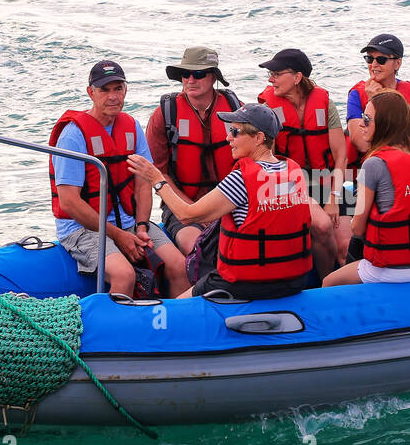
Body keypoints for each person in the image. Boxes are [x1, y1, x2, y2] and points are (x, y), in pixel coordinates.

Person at [127, 104, 312, 300]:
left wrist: (156, 180)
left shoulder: (242, 178)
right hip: (293, 280)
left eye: (235, 132)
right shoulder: (293, 172)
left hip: (248, 283)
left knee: (178, 304)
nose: (228, 138)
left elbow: (186, 215)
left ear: (258, 138)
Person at [49, 60, 190, 297]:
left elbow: (143, 184)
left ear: (125, 90)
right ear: (91, 92)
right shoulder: (73, 136)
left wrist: (142, 226)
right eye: (105, 90)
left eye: (118, 89)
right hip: (82, 229)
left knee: (178, 265)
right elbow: (69, 202)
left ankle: (177, 328)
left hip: (129, 223)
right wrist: (119, 236)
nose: (113, 96)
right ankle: (119, 331)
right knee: (124, 275)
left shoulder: (131, 127)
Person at [322, 90, 410, 286]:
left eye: (367, 119)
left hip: (391, 269)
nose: (360, 124)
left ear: (384, 124)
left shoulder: (374, 164)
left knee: (329, 283)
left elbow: (357, 227)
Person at [145, 46, 243, 254]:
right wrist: (196, 211)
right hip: (182, 205)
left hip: (230, 202)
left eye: (198, 74)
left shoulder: (236, 110)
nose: (191, 80)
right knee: (196, 246)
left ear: (214, 77)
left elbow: (252, 164)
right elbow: (158, 173)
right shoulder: (165, 114)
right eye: (185, 74)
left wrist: (220, 208)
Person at [255, 48, 344, 274]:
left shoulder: (325, 103)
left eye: (276, 73)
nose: (270, 79)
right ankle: (324, 283)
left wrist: (334, 198)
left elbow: (341, 155)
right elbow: (269, 162)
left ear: (297, 78)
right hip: (291, 186)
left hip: (329, 183)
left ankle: (336, 291)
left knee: (345, 247)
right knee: (322, 227)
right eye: (270, 74)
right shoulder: (269, 110)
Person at [345, 33, 410, 172]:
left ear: (397, 63)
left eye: (381, 59)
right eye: (369, 58)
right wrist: (374, 102)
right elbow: (362, 144)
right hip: (377, 169)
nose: (373, 64)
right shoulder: (356, 95)